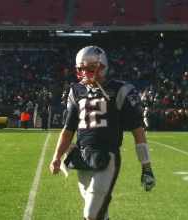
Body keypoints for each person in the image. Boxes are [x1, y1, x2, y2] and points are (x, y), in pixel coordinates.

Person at [49, 46, 155, 220]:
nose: (85, 73)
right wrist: (57, 156)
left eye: (90, 68)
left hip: (107, 157)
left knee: (90, 214)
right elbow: (68, 130)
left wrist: (146, 167)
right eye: (81, 69)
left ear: (102, 67)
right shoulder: (76, 91)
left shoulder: (121, 90)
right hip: (82, 157)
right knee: (100, 213)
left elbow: (138, 131)